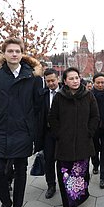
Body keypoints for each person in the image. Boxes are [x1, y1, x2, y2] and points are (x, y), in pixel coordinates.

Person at [0, 37, 43, 207]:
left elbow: (38, 108)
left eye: (17, 51)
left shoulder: (33, 78)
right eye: (10, 51)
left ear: (22, 54)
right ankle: (6, 203)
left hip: (23, 132)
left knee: (21, 171)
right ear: (4, 54)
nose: (14, 54)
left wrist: (36, 135)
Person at [48, 67, 100, 207]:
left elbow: (95, 117)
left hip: (83, 144)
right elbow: (52, 118)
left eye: (76, 77)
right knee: (65, 175)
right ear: (64, 81)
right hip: (64, 145)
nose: (75, 81)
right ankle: (68, 205)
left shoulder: (88, 96)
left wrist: (89, 132)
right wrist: (59, 134)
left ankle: (77, 199)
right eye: (71, 78)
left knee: (80, 175)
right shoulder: (59, 97)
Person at [35, 68, 61, 199]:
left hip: (63, 134)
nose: (51, 83)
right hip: (48, 133)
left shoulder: (65, 93)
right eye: (48, 81)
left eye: (53, 80)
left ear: (58, 79)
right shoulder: (42, 94)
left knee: (63, 160)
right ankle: (51, 185)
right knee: (49, 160)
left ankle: (64, 184)